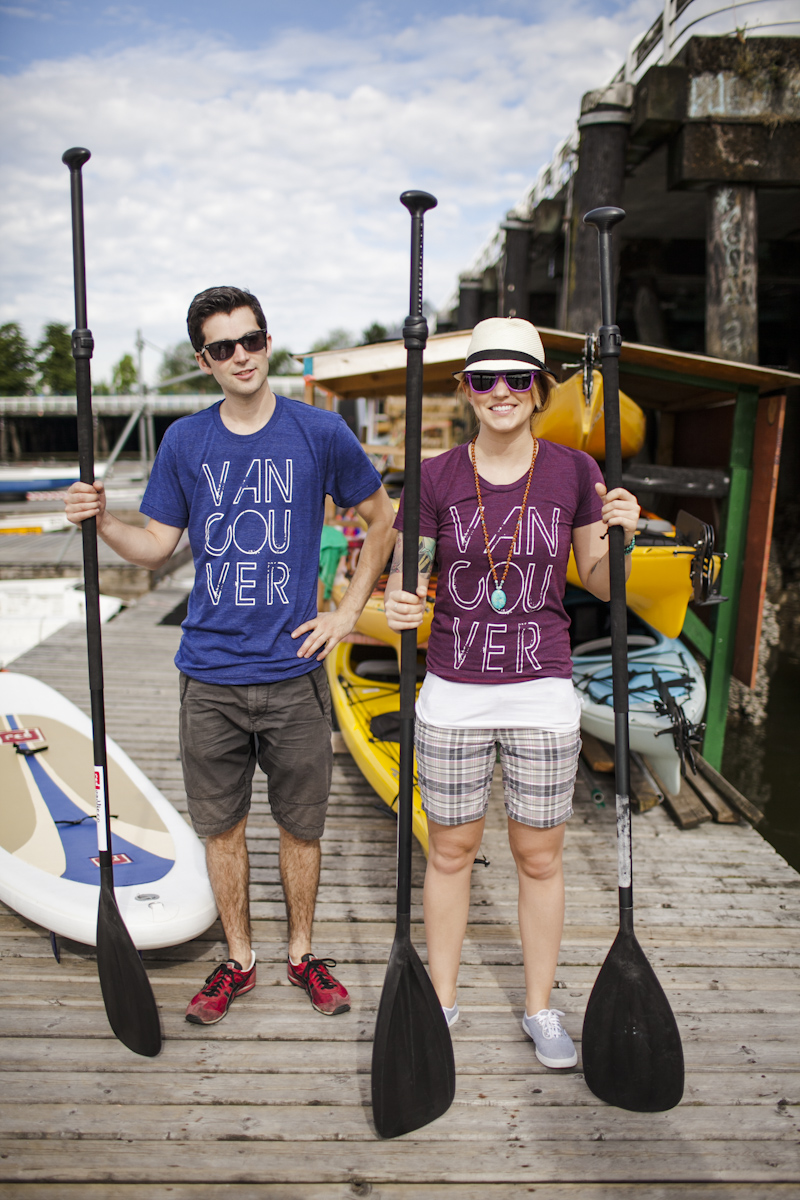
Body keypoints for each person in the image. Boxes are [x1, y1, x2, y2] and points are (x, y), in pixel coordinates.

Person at [66, 286, 396, 1025]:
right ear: (203, 360)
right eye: (223, 348)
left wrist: (344, 614)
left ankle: (303, 953)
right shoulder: (187, 442)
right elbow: (156, 549)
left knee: (301, 826)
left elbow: (382, 518)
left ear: (267, 342)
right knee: (222, 828)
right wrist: (104, 519)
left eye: (251, 341)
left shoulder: (320, 433)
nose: (241, 357)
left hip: (294, 673)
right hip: (209, 675)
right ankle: (240, 959)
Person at [385, 317, 639, 1068]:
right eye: (485, 378)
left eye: (518, 378)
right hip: (454, 693)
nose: (502, 392)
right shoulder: (432, 477)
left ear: (539, 389)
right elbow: (411, 583)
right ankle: (441, 1001)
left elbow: (599, 582)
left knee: (539, 858)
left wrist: (622, 534)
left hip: (541, 693)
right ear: (465, 389)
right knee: (452, 851)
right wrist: (403, 606)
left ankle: (539, 1009)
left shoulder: (575, 473)